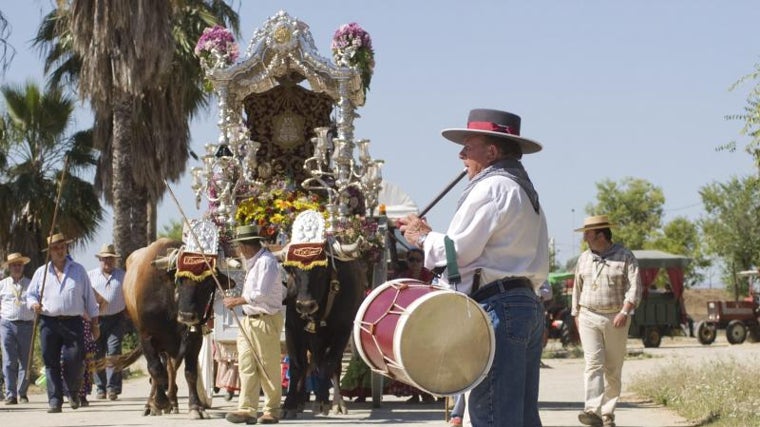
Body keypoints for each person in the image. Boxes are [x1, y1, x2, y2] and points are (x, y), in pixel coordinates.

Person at [399, 108, 549, 426]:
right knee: (521, 416)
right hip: (525, 305)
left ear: (492, 151)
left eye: (469, 146)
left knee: (493, 416)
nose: (461, 154)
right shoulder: (523, 189)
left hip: (499, 308)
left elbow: (459, 253)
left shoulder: (492, 187)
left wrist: (423, 237)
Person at [571, 215, 642, 427]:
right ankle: (592, 410)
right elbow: (577, 288)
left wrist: (625, 311)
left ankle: (607, 414)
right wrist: (576, 314)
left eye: (588, 233)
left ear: (600, 235)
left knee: (612, 368)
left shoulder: (625, 256)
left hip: (616, 318)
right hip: (589, 316)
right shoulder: (584, 258)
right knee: (593, 363)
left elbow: (635, 287)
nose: (584, 237)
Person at [26, 233, 100, 413]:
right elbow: (30, 295)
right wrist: (34, 304)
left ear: (67, 249)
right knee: (50, 362)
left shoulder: (79, 270)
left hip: (73, 322)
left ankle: (73, 392)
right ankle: (54, 400)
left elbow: (89, 299)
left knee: (73, 359)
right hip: (48, 322)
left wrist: (95, 323)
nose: (59, 251)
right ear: (49, 252)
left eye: (62, 247)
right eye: (55, 248)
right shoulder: (41, 272)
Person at [223, 224, 285, 425]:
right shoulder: (254, 263)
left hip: (265, 320)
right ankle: (247, 409)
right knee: (247, 366)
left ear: (245, 246)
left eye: (239, 246)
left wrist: (237, 301)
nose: (239, 250)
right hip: (249, 320)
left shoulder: (266, 262)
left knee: (268, 367)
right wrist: (238, 302)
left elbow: (261, 294)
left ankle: (272, 410)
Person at [386, 248, 436, 404]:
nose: (415, 263)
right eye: (412, 260)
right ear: (407, 261)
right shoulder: (402, 278)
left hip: (428, 323)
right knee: (409, 359)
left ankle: (428, 393)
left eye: (418, 260)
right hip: (408, 324)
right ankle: (413, 393)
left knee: (427, 360)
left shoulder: (430, 277)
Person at [88, 243, 126, 401]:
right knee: (97, 353)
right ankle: (100, 388)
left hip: (117, 319)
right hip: (96, 319)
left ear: (115, 260)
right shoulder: (90, 276)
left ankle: (112, 388)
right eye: (104, 259)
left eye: (110, 259)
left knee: (114, 351)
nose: (107, 262)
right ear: (100, 260)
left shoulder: (123, 275)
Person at [0, 252, 34, 404]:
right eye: (14, 265)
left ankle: (22, 392)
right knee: (8, 360)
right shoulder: (2, 284)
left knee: (25, 361)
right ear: (9, 267)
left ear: (23, 266)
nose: (17, 267)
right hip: (7, 323)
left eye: (19, 264)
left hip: (27, 325)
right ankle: (11, 394)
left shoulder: (30, 283)